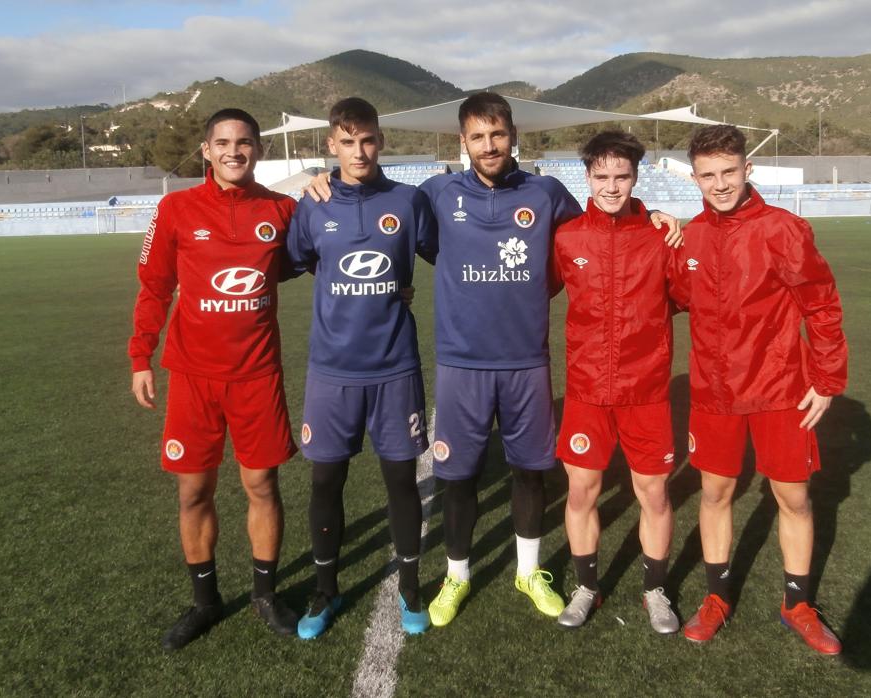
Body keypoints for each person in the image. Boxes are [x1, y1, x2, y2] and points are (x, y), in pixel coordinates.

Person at [305, 93, 680, 628]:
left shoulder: (547, 193)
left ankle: (528, 571)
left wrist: (653, 213)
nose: (489, 145)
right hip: (462, 364)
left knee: (530, 473)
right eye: (478, 137)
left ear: (512, 135)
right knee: (458, 477)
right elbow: (378, 203)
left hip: (527, 362)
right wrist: (321, 180)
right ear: (463, 142)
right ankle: (458, 574)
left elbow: (602, 224)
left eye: (497, 134)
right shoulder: (433, 194)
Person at [129, 108, 299, 650]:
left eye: (244, 142)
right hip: (193, 378)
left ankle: (265, 595)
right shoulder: (175, 208)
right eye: (222, 142)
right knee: (193, 491)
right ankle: (205, 603)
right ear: (206, 150)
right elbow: (154, 287)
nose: (234, 151)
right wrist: (140, 357)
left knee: (261, 485)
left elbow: (330, 255)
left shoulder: (283, 210)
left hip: (257, 375)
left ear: (259, 150)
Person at [674, 124, 848, 654]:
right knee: (715, 493)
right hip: (714, 391)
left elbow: (821, 304)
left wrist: (826, 379)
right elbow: (677, 296)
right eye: (708, 175)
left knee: (792, 497)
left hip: (780, 389)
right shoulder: (691, 238)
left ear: (747, 170)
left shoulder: (784, 229)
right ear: (695, 178)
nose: (720, 184)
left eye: (729, 171)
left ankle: (797, 603)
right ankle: (717, 596)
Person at [286, 97, 436, 639]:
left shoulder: (408, 201)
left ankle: (412, 588)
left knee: (401, 479)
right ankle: (326, 590)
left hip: (395, 369)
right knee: (326, 481)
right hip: (332, 372)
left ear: (381, 140)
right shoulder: (313, 205)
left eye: (368, 140)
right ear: (332, 145)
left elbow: (448, 250)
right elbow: (300, 261)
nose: (359, 151)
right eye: (347, 142)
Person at [550, 131, 689, 633]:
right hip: (587, 390)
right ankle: (587, 585)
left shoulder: (660, 236)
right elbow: (530, 290)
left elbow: (693, 295)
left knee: (653, 495)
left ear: (636, 177)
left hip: (646, 390)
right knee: (581, 491)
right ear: (587, 176)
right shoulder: (567, 238)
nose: (612, 186)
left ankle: (655, 590)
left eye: (622, 176)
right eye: (602, 176)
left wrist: (678, 229)